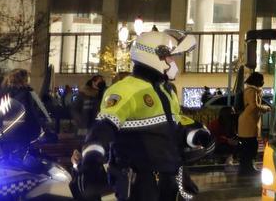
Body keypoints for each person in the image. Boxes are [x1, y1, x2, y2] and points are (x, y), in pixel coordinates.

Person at [75, 29, 213, 200]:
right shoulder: (126, 88)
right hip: (138, 180)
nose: (173, 62)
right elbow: (103, 127)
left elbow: (173, 126)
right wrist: (91, 161)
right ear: (154, 56)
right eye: (170, 57)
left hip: (168, 175)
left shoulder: (166, 90)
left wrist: (196, 135)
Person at [0, 68, 55, 156]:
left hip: (4, 134)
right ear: (24, 79)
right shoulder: (26, 93)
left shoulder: (2, 93)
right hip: (22, 134)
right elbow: (31, 113)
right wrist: (42, 128)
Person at [237, 71, 271, 176]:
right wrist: (265, 108)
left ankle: (247, 168)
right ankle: (246, 169)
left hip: (249, 122)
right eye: (261, 80)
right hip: (248, 122)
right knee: (250, 146)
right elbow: (253, 106)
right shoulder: (251, 91)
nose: (263, 82)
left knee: (250, 146)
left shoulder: (253, 90)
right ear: (257, 80)